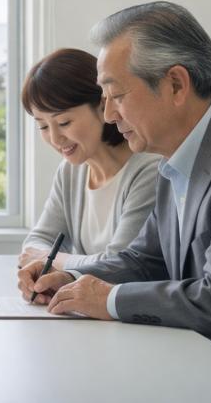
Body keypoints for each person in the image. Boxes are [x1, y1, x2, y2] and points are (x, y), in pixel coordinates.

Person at [18, 1, 211, 351]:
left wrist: (109, 299)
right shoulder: (172, 160)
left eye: (116, 95)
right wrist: (71, 281)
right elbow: (144, 261)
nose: (108, 114)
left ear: (176, 85)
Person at [19, 48, 160, 271]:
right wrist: (43, 265)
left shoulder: (150, 171)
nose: (55, 138)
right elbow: (37, 242)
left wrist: (51, 261)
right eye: (43, 126)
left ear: (103, 105)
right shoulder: (70, 173)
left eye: (64, 122)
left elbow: (120, 263)